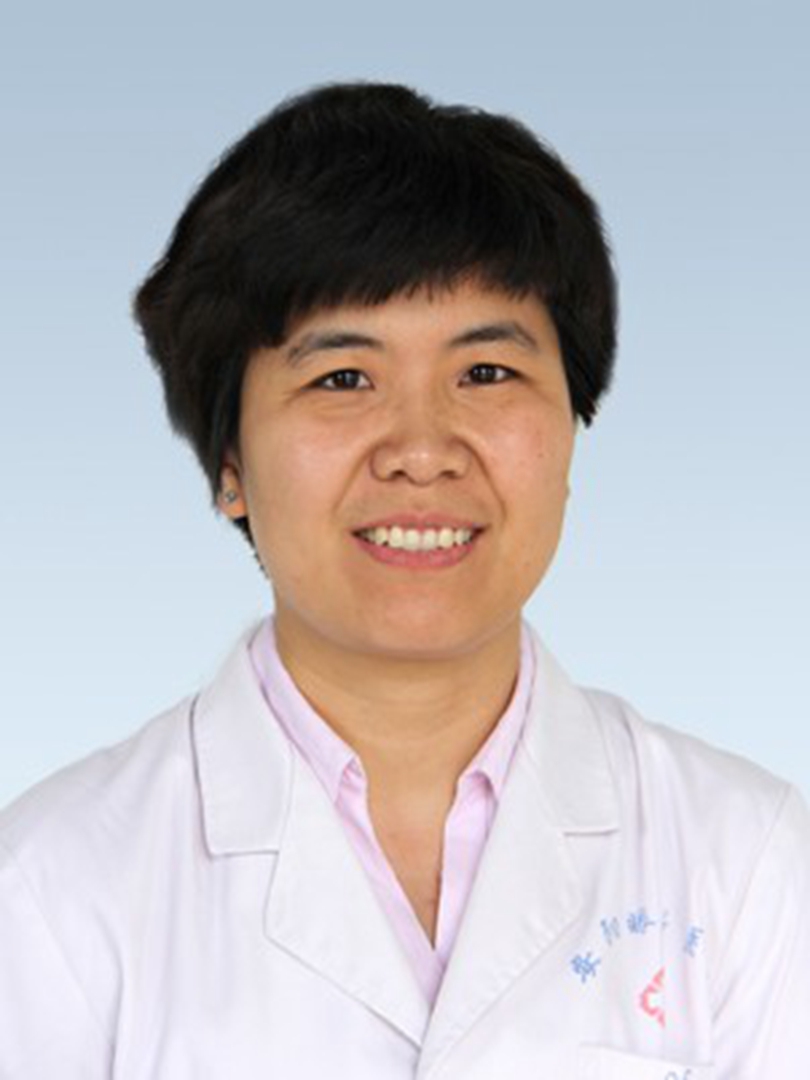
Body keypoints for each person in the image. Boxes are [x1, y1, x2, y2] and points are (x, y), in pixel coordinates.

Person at [1, 80, 807, 1079]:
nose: (422, 452)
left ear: (571, 428)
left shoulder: (745, 858)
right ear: (229, 465)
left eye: (486, 374)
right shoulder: (50, 889)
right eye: (342, 378)